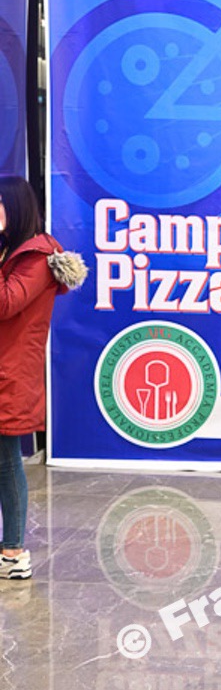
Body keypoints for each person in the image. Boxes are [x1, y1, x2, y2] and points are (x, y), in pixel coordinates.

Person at [0, 176, 87, 580]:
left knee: (6, 461)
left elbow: (6, 303)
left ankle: (13, 552)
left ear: (15, 207)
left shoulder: (36, 258)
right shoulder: (11, 253)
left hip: (10, 374)